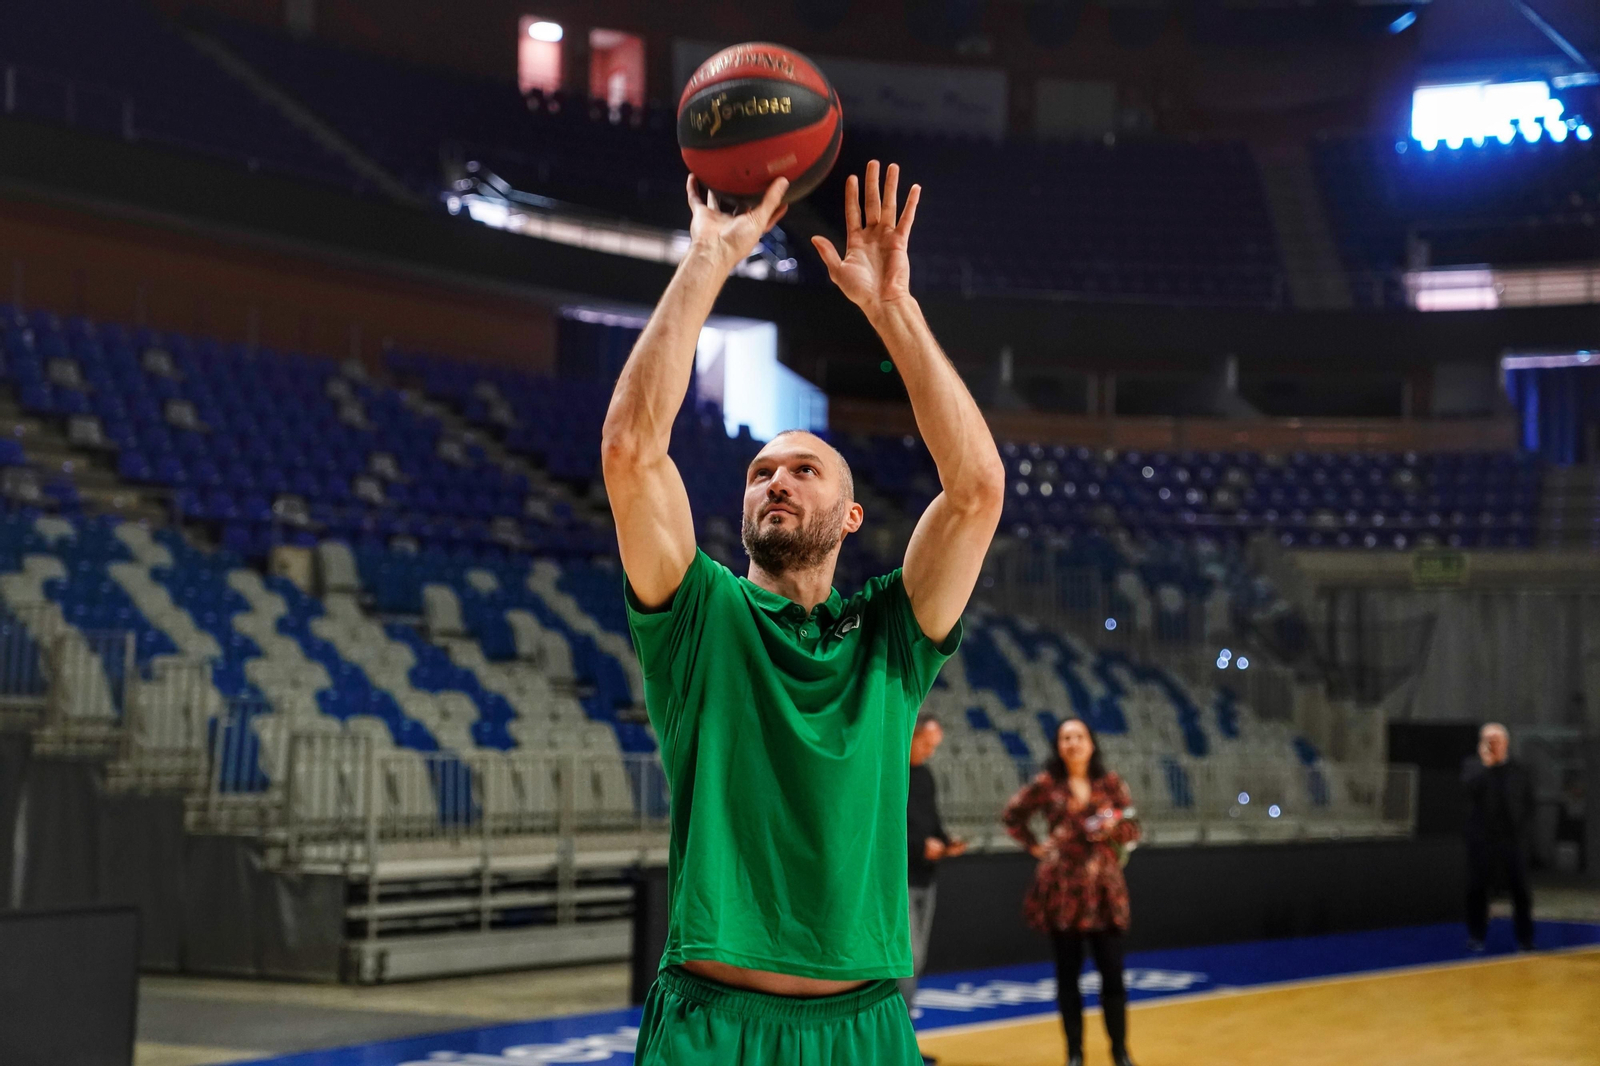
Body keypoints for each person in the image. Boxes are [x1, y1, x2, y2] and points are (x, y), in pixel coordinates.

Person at [604, 160, 1005, 1066]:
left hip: (862, 1026)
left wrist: (891, 308)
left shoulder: (892, 640)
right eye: (759, 473)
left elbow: (977, 490)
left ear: (851, 516)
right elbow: (631, 451)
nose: (775, 478)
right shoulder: (699, 615)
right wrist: (708, 255)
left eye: (801, 469)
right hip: (713, 1022)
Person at [1002, 718, 1141, 1066]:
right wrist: (1035, 846)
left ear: (1091, 743)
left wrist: (1116, 828)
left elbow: (1133, 826)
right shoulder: (1047, 784)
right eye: (1066, 738)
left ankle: (1120, 1051)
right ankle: (1075, 1053)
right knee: (1068, 978)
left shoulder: (1110, 784)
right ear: (1058, 746)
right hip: (1064, 895)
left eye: (1079, 736)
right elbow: (1012, 815)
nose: (1073, 743)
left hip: (1105, 893)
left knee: (1113, 975)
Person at [902, 712, 966, 1021]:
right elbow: (885, 829)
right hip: (900, 878)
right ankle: (900, 1024)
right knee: (908, 956)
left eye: (934, 745)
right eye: (926, 744)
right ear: (911, 737)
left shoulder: (925, 776)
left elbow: (931, 821)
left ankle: (907, 1019)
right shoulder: (892, 772)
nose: (929, 751)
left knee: (919, 956)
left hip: (926, 877)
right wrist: (920, 846)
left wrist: (945, 840)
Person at [1462, 722, 1536, 951]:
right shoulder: (1473, 767)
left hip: (1512, 839)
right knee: (1477, 889)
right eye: (1488, 740)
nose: (1492, 745)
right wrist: (1487, 765)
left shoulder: (1519, 769)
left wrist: (1522, 829)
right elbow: (1468, 792)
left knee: (1520, 890)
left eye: (1496, 740)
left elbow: (1529, 801)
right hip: (1483, 839)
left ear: (1506, 743)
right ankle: (1476, 936)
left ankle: (1525, 939)